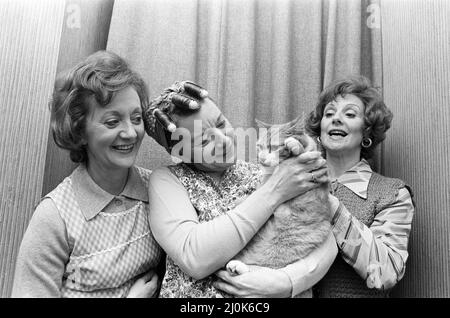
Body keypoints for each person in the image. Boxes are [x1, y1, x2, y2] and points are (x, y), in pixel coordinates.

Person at [11, 51, 203, 297]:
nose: (131, 133)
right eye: (112, 122)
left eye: (136, 118)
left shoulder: (156, 188)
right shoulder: (54, 217)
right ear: (79, 132)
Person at [145, 82, 338, 298]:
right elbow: (195, 258)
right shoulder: (169, 180)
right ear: (179, 150)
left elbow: (325, 234)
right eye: (204, 140)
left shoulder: (264, 170)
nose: (223, 141)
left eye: (220, 124)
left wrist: (286, 282)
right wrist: (276, 191)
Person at [304, 76, 415, 297]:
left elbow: (386, 272)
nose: (336, 119)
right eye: (329, 113)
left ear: (366, 132)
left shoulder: (392, 194)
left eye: (350, 114)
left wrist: (330, 205)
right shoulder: (298, 182)